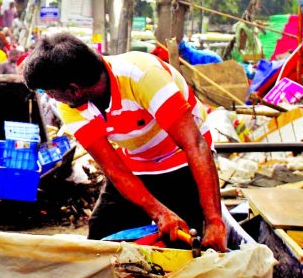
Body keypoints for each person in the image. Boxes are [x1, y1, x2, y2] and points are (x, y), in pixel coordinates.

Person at [22, 33, 227, 252]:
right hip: (135, 162)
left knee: (185, 245)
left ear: (74, 89)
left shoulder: (142, 74)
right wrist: (159, 213)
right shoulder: (70, 106)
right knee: (101, 237)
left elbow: (194, 145)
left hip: (182, 162)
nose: (51, 98)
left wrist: (214, 221)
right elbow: (114, 169)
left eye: (50, 92)